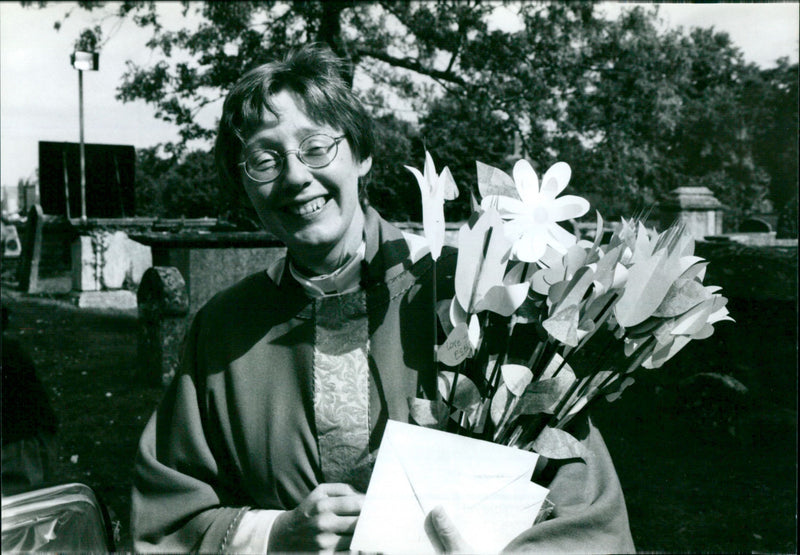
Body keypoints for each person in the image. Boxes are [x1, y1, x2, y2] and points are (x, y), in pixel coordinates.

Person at [130, 44, 635, 553]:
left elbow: (584, 510)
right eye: (265, 158)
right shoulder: (224, 328)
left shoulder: (479, 297)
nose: (296, 175)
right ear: (245, 185)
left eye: (316, 147)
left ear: (362, 154)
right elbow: (170, 518)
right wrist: (276, 534)